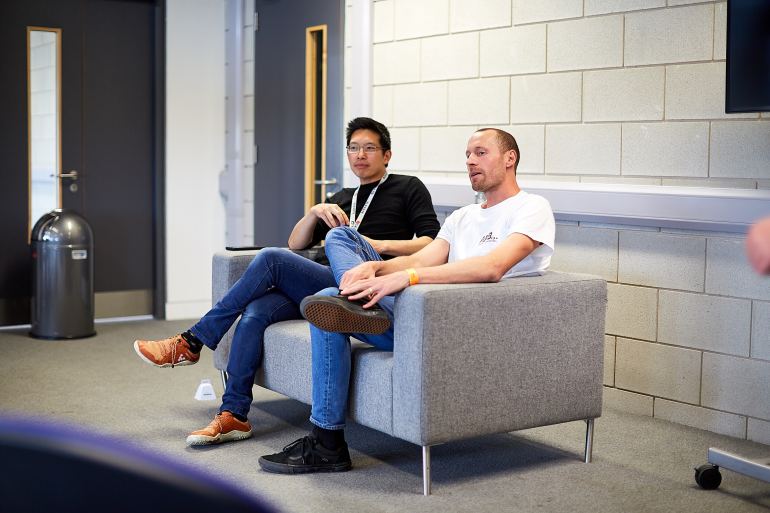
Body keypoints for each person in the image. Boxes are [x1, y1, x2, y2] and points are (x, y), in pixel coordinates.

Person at [257, 127, 556, 474]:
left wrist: (408, 278)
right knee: (335, 263)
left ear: (509, 158)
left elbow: (492, 267)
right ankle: (327, 443)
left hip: (461, 326)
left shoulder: (531, 207)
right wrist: (377, 268)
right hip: (416, 315)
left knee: (330, 299)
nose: (470, 161)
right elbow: (422, 259)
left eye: (480, 153)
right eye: (467, 155)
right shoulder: (463, 216)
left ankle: (354, 306)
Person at [133, 117, 440, 446]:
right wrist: (314, 212)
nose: (360, 155)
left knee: (271, 258)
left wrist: (375, 244)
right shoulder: (342, 197)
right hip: (325, 285)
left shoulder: (407, 187)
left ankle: (192, 341)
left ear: (387, 155)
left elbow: (431, 242)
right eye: (353, 148)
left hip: (373, 279)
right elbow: (296, 243)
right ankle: (234, 414)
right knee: (256, 310)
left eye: (369, 148)